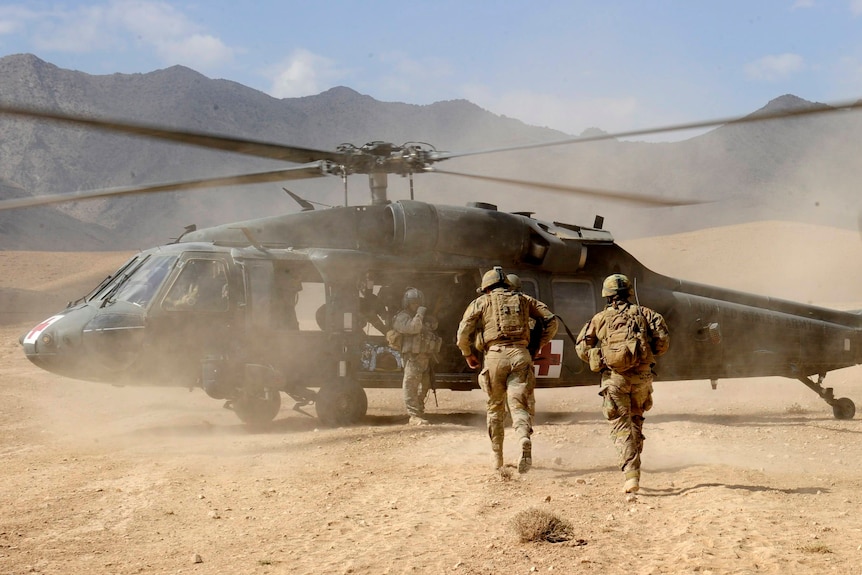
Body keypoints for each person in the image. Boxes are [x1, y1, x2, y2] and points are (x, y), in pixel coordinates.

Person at [575, 273, 670, 494]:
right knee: (636, 420)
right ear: (629, 293)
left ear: (607, 296)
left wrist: (599, 357)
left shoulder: (599, 319)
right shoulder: (648, 314)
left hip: (615, 379)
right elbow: (663, 343)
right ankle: (635, 464)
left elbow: (581, 348)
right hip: (642, 378)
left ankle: (631, 474)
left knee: (620, 426)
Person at [456, 266, 558, 472]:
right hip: (521, 354)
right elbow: (551, 320)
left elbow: (462, 333)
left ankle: (498, 458)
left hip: (494, 356)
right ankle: (523, 439)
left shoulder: (481, 302)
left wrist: (468, 354)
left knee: (495, 407)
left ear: (486, 288)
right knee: (518, 403)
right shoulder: (524, 300)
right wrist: (538, 345)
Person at [391, 287, 442, 425]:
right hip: (412, 358)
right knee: (411, 385)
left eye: (418, 303)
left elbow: (433, 326)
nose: (416, 305)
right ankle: (413, 415)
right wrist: (419, 314)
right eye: (413, 303)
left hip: (425, 357)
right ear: (407, 303)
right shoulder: (402, 317)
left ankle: (419, 410)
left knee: (424, 385)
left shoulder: (423, 317)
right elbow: (414, 328)